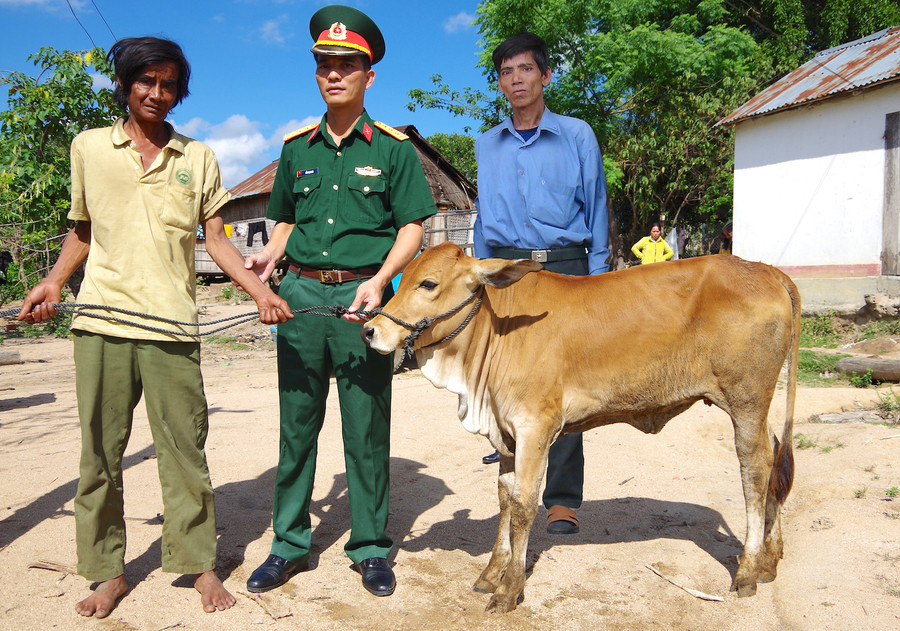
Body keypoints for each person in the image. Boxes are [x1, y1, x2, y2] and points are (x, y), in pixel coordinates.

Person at [17, 36, 291, 618]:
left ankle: (198, 566)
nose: (157, 94)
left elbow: (215, 239)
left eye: (168, 84)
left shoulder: (198, 158)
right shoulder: (89, 147)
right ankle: (106, 572)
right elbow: (83, 229)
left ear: (179, 91)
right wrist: (54, 281)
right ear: (124, 83)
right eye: (146, 81)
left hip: (171, 328)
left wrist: (262, 290)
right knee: (100, 455)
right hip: (101, 323)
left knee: (185, 450)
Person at [243, 5, 435, 597]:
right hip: (299, 299)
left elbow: (413, 229)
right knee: (296, 428)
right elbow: (281, 221)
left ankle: (372, 547)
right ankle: (289, 544)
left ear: (368, 75)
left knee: (365, 429)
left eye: (347, 65)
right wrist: (270, 259)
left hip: (364, 301)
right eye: (325, 64)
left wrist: (381, 283)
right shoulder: (296, 148)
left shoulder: (397, 149)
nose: (334, 74)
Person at [473, 33, 609, 536]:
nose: (516, 80)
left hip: (566, 267)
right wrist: (479, 276)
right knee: (506, 376)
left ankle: (563, 500)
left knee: (566, 381)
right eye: (507, 73)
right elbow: (484, 218)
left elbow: (596, 207)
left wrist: (598, 282)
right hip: (506, 272)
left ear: (545, 75)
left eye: (526, 70)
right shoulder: (487, 143)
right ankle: (514, 479)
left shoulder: (577, 135)